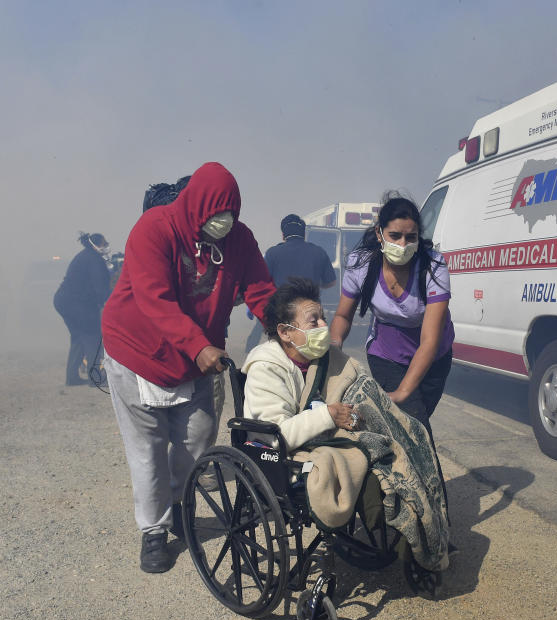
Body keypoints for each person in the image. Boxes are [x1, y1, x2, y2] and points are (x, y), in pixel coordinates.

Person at [101, 162, 276, 574]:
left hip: (194, 355)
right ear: (194, 205)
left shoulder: (239, 239)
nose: (223, 222)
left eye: (230, 215)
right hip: (137, 353)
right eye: (216, 215)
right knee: (147, 451)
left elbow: (260, 290)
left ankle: (181, 504)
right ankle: (154, 532)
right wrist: (199, 345)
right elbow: (154, 299)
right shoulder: (154, 229)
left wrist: (285, 328)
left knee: (196, 439)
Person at [242, 278, 448, 571]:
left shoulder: (330, 359)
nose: (323, 325)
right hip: (284, 455)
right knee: (374, 471)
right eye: (313, 321)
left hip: (329, 437)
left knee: (408, 440)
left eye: (323, 317)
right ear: (286, 332)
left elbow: (364, 396)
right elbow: (276, 435)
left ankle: (427, 532)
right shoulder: (267, 368)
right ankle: (413, 546)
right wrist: (328, 415)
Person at [329, 195, 455, 443]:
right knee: (418, 432)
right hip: (387, 353)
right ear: (379, 233)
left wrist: (404, 391)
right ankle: (424, 482)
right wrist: (333, 350)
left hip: (433, 355)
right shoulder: (361, 264)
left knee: (411, 426)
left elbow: (429, 341)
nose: (403, 244)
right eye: (395, 235)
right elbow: (343, 315)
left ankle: (399, 478)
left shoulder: (433, 265)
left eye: (411, 237)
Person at [246, 213, 337, 353]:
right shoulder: (319, 252)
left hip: (280, 310)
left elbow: (262, 282)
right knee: (312, 348)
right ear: (304, 234)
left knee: (278, 347)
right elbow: (331, 282)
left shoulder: (272, 253)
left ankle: (249, 358)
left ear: (283, 235)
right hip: (309, 311)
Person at [54, 232, 111, 386]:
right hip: (76, 304)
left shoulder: (86, 256)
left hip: (64, 301)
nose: (106, 247)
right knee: (92, 336)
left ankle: (72, 378)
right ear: (96, 244)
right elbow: (100, 287)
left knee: (79, 338)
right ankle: (95, 378)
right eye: (104, 244)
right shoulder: (93, 260)